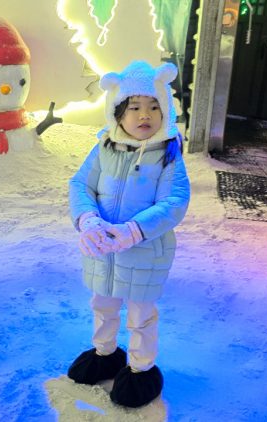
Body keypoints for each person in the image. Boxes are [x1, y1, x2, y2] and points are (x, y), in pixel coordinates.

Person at [66, 61, 191, 408]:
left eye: (153, 107)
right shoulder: (104, 148)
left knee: (141, 316)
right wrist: (87, 219)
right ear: (117, 112)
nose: (144, 115)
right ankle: (104, 354)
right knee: (103, 304)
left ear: (165, 110)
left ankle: (140, 369)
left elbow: (176, 200)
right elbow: (80, 184)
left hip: (145, 254)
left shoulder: (167, 155)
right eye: (134, 107)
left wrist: (136, 230)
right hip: (103, 251)